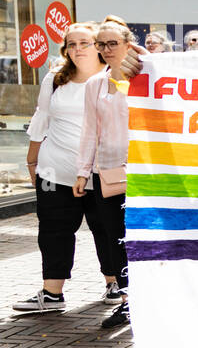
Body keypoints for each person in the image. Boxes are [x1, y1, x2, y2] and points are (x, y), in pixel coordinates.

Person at [15, 22, 143, 313]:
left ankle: (114, 285)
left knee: (106, 229)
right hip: (55, 170)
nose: (77, 49)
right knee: (53, 229)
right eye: (71, 44)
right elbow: (41, 118)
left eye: (84, 43)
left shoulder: (113, 77)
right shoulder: (55, 79)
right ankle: (52, 292)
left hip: (101, 172)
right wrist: (32, 160)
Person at [73, 19, 134, 328]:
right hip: (108, 171)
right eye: (101, 44)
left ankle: (149, 297)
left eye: (112, 44)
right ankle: (126, 301)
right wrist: (83, 172)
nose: (107, 50)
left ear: (127, 44)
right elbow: (89, 131)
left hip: (144, 170)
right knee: (115, 237)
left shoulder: (146, 79)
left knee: (145, 236)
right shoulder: (95, 83)